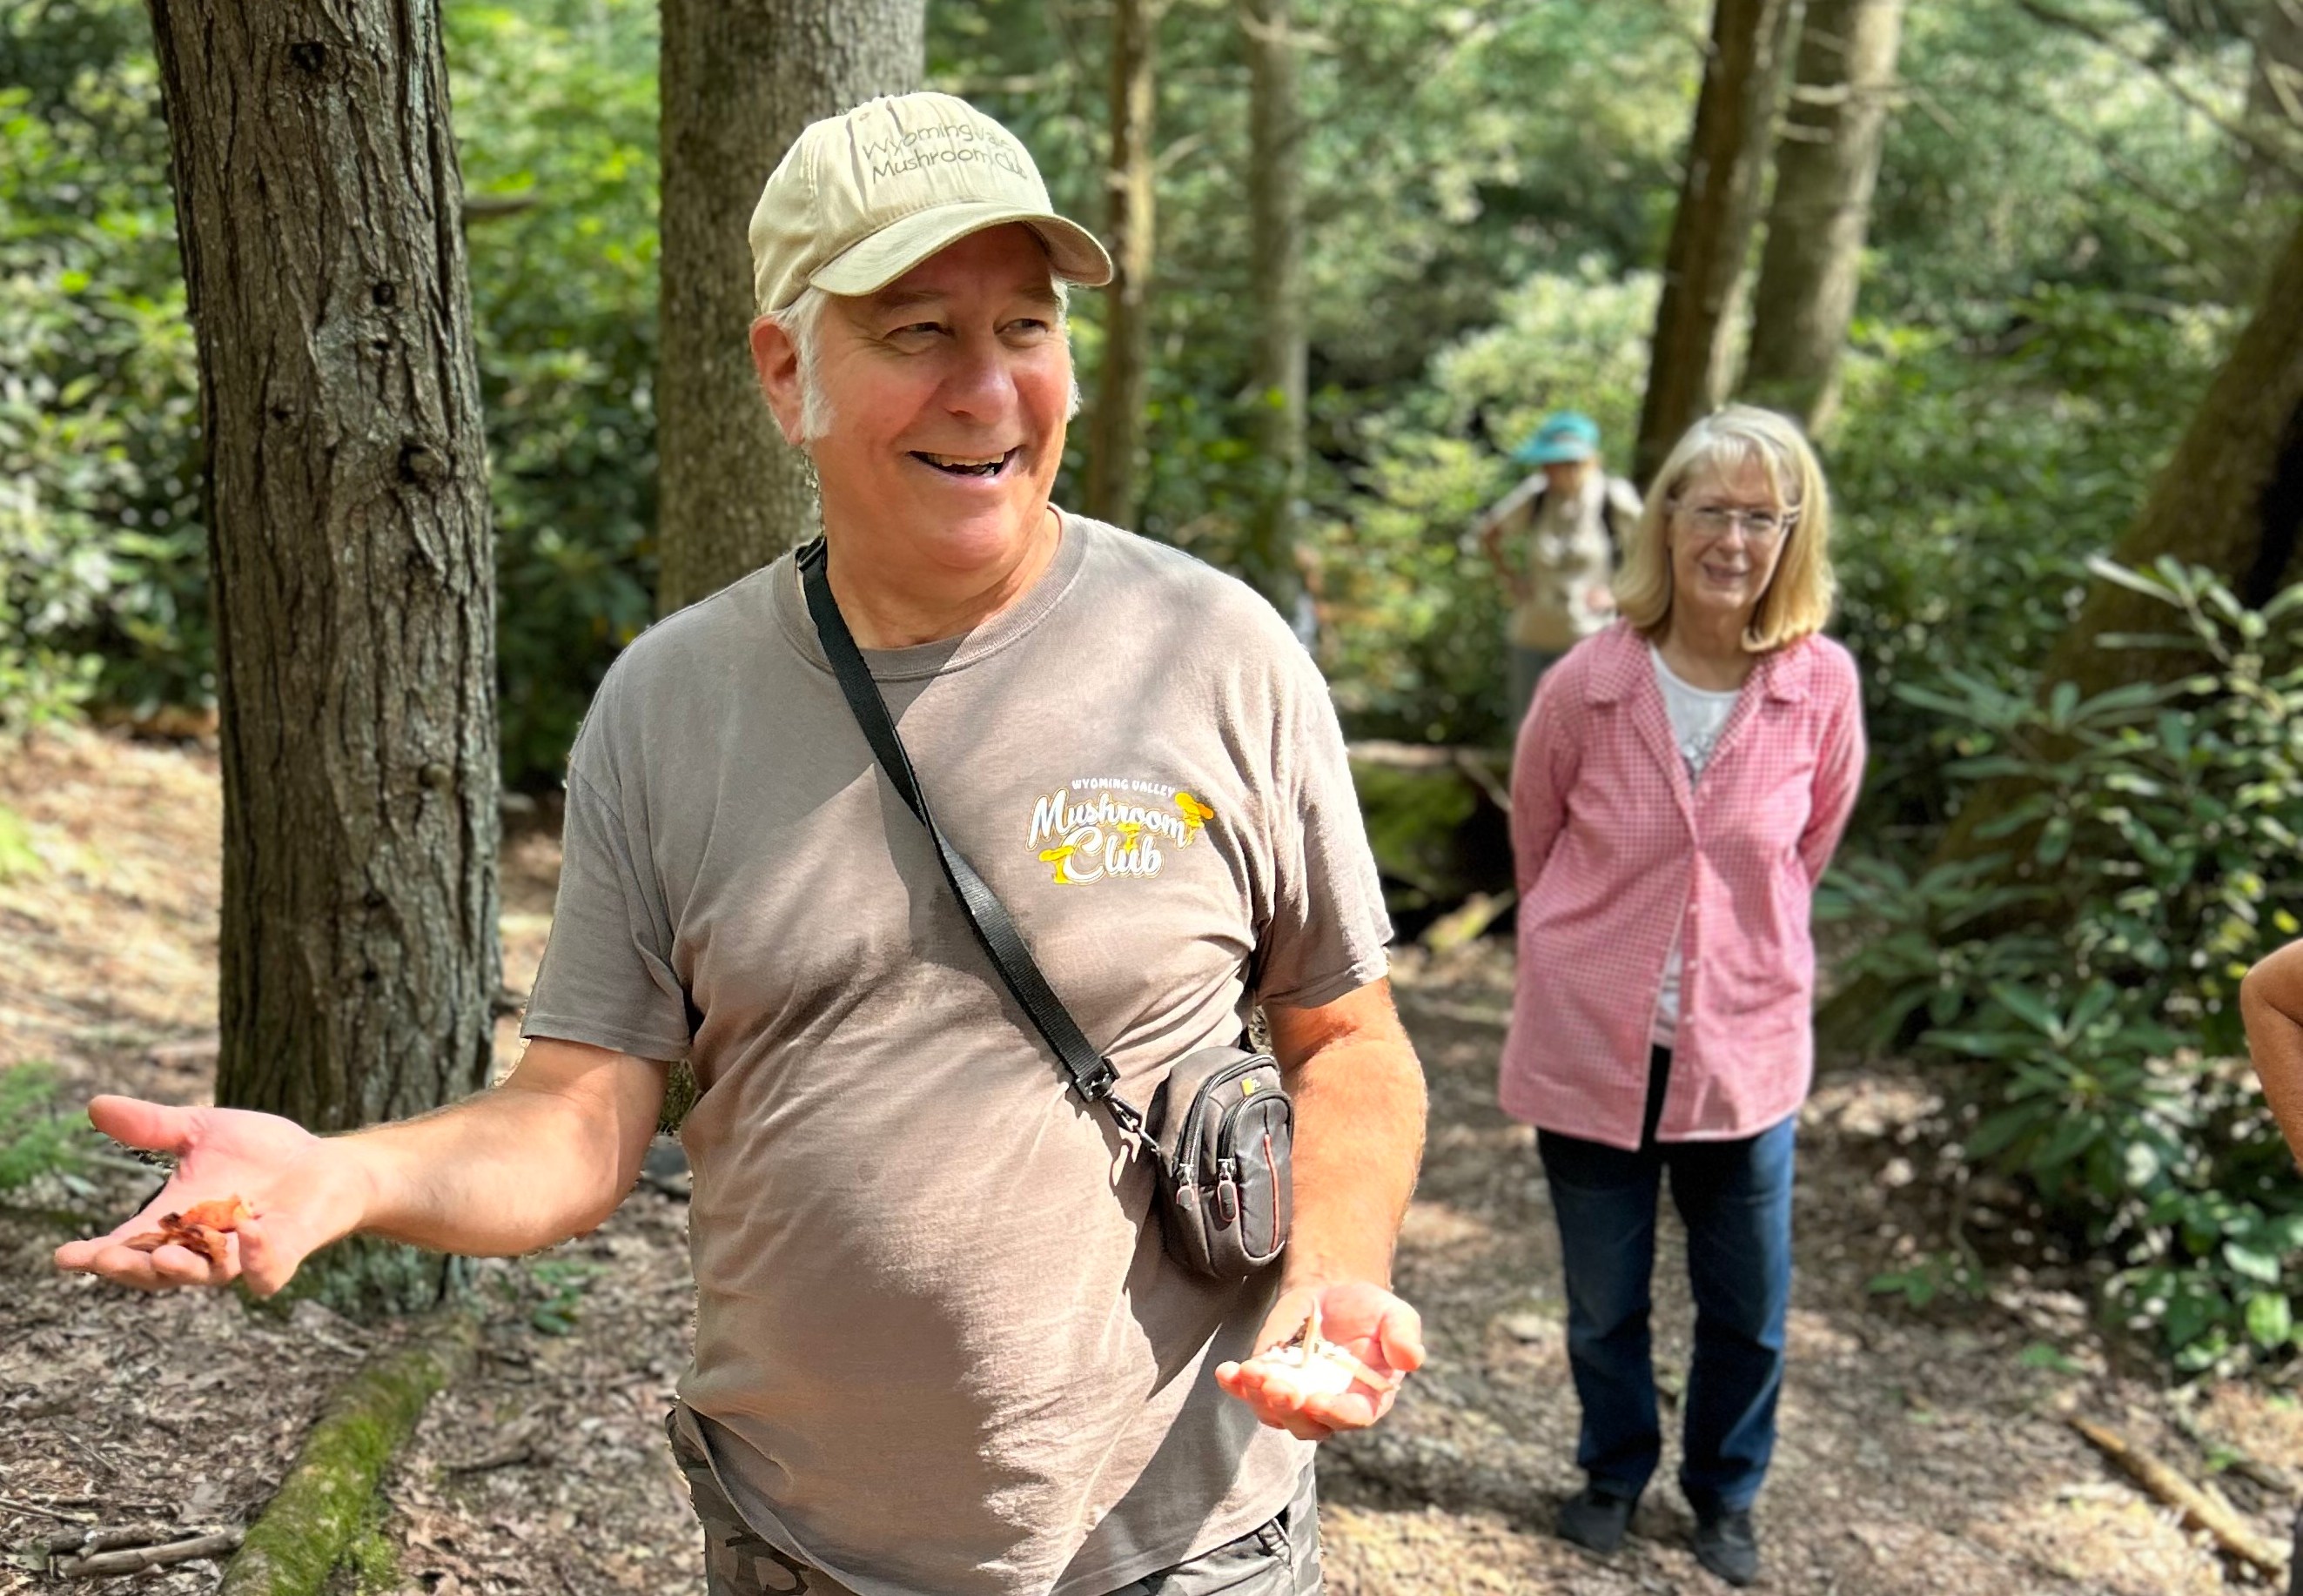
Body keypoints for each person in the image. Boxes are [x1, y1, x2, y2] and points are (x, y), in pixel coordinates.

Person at [56, 91, 1429, 1596]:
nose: (988, 390)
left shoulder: (1213, 651)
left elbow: (1349, 1038)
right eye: (916, 333)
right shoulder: (672, 703)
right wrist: (340, 1175)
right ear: (788, 374)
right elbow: (581, 1113)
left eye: (1025, 329)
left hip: (1191, 1546)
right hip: (802, 1548)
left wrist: (1334, 1273)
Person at [1497, 406, 1865, 1587]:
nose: (1733, 537)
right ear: (1665, 520)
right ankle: (1611, 1469)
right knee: (1603, 1301)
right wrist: (1594, 946)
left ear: (1791, 534)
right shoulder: (1587, 680)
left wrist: (1726, 950)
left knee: (1747, 1304)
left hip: (1744, 1045)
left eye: (1762, 514)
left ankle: (1723, 1494)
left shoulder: (1821, 684)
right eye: (1710, 508)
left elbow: (1803, 850)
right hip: (1591, 1037)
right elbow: (1535, 839)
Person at [1474, 410, 1644, 731]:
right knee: (1531, 731)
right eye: (1548, 463)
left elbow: (1656, 542)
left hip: (1591, 636)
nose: (1551, 470)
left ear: (1585, 462)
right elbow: (1489, 532)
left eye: (1562, 463)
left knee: (1590, 732)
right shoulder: (1536, 494)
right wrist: (1512, 581)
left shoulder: (1612, 495)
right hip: (1533, 632)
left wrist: (1619, 591)